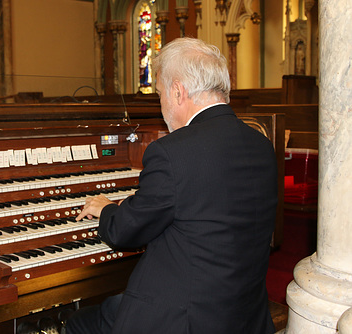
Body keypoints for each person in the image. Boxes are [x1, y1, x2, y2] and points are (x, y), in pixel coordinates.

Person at [66, 37, 278, 334]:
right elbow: (200, 202)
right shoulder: (261, 144)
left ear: (178, 91)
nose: (162, 103)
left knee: (77, 324)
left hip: (181, 319)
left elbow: (126, 231)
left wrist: (108, 210)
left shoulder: (173, 151)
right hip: (243, 313)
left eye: (160, 94)